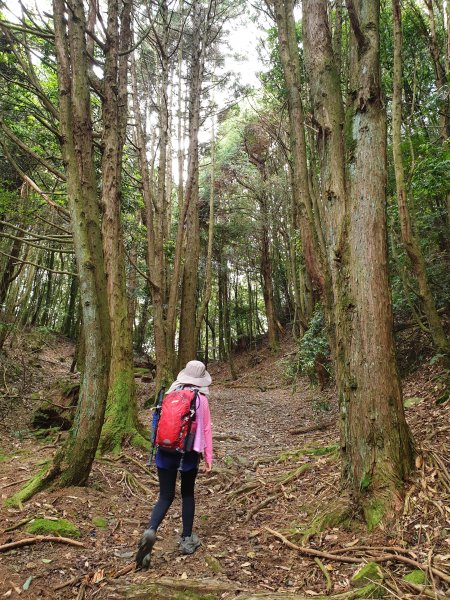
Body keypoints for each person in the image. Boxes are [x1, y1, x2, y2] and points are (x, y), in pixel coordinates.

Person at [136, 360, 213, 568]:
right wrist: (208, 458)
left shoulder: (170, 393)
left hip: (164, 451)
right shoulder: (201, 399)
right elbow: (205, 430)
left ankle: (151, 530)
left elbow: (157, 422)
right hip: (187, 455)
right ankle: (187, 539)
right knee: (187, 494)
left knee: (165, 495)